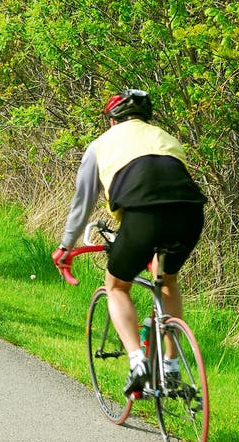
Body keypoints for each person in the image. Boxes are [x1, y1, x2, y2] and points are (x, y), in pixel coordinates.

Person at [52, 89, 207, 396]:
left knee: (116, 286)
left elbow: (83, 203)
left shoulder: (101, 145)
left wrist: (66, 246)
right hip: (190, 214)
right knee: (168, 282)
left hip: (141, 216)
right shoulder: (166, 138)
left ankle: (138, 361)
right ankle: (171, 368)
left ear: (112, 120)